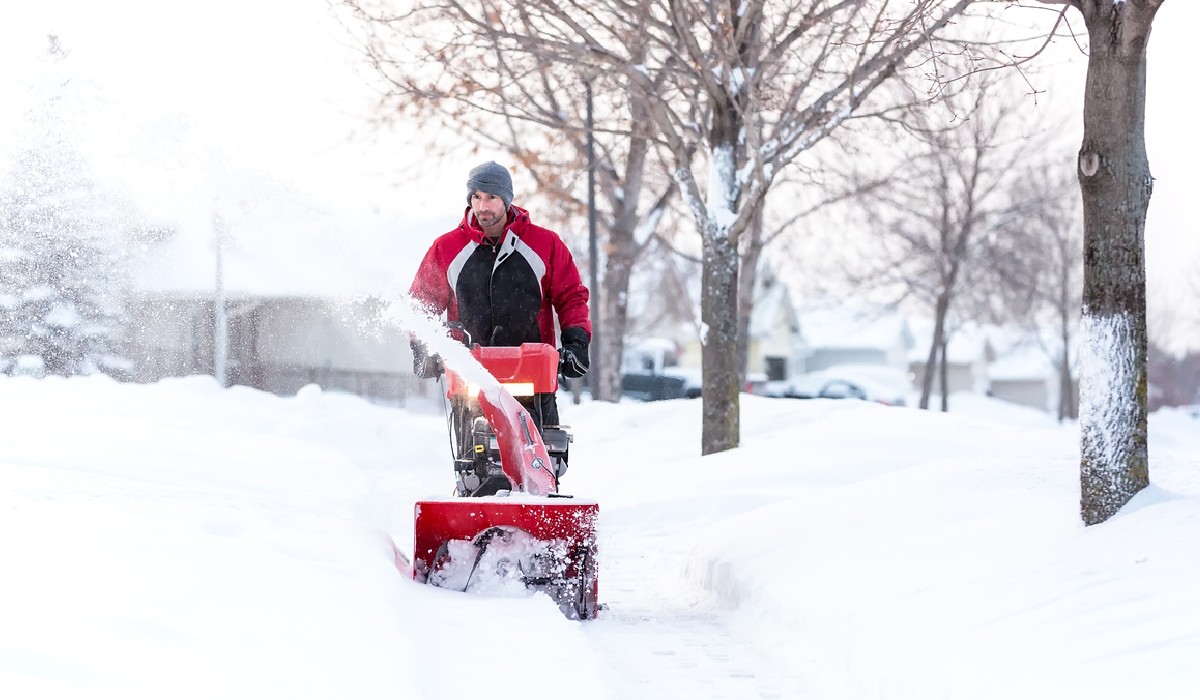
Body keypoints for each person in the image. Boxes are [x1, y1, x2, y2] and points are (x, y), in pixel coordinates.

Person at [408, 160, 591, 430]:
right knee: (474, 461)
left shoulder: (545, 244)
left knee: (542, 459)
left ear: (506, 199)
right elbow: (420, 305)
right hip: (471, 375)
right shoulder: (447, 249)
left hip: (533, 376)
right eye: (477, 197)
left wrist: (576, 343)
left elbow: (571, 296)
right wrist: (422, 347)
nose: (483, 206)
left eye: (492, 197)